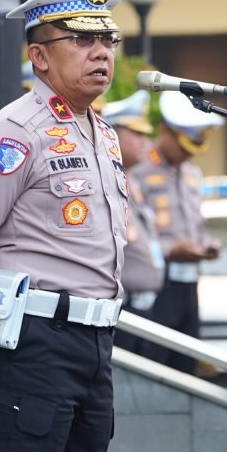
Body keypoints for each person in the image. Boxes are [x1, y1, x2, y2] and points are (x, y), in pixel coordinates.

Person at [0, 0, 128, 452]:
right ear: (39, 56)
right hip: (31, 339)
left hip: (95, 342)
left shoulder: (103, 134)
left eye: (108, 38)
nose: (101, 52)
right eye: (82, 39)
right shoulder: (17, 131)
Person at [131, 90, 224, 373]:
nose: (188, 154)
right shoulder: (139, 169)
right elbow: (133, 229)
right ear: (165, 131)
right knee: (155, 364)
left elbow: (197, 224)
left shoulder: (192, 173)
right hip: (159, 285)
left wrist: (206, 245)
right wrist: (171, 250)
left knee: (187, 362)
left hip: (190, 283)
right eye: (183, 146)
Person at [102, 90, 166, 355]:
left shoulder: (134, 181)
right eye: (137, 134)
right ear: (113, 134)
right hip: (122, 308)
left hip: (147, 307)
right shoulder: (105, 180)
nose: (145, 142)